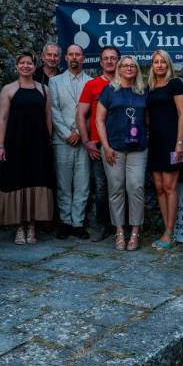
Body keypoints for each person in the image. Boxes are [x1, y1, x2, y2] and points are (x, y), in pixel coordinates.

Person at [0, 51, 55, 245]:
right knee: (18, 180)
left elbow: (48, 118)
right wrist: (0, 145)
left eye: (29, 63)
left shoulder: (44, 89)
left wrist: (48, 141)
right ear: (16, 66)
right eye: (22, 63)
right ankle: (20, 226)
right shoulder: (8, 89)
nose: (26, 66)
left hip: (38, 143)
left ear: (35, 67)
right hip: (15, 142)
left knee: (36, 179)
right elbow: (2, 118)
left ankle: (32, 226)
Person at [95, 56, 148, 251]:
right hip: (113, 148)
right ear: (119, 68)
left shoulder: (143, 90)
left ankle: (134, 232)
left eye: (132, 65)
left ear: (137, 69)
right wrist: (106, 146)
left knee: (136, 187)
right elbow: (99, 120)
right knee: (116, 188)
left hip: (138, 148)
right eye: (125, 65)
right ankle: (119, 231)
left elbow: (147, 119)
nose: (129, 68)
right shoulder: (109, 90)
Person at [77, 46, 120, 242]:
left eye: (113, 58)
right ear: (100, 62)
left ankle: (122, 226)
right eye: (106, 58)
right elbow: (81, 114)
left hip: (122, 144)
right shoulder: (92, 85)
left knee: (121, 187)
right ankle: (103, 226)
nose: (110, 61)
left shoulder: (126, 82)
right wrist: (86, 141)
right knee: (101, 187)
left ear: (118, 61)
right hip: (98, 145)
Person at [146, 50, 183, 250]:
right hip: (154, 142)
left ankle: (170, 233)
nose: (159, 65)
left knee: (170, 187)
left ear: (168, 64)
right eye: (156, 62)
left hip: (172, 141)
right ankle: (166, 230)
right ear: (152, 65)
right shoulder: (150, 86)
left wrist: (179, 142)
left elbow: (182, 114)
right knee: (159, 187)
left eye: (163, 62)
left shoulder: (175, 84)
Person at [49, 44, 91, 240]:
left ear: (83, 58)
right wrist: (67, 133)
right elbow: (54, 110)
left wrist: (80, 133)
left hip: (84, 140)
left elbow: (93, 112)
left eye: (78, 54)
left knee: (83, 183)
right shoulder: (55, 81)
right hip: (62, 139)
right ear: (65, 57)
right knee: (63, 183)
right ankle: (65, 222)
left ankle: (78, 223)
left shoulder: (91, 82)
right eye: (71, 54)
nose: (74, 57)